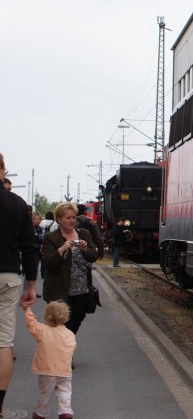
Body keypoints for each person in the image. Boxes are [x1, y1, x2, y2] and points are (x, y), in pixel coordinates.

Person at [0, 152, 38, 416]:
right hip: (8, 277)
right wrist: (31, 284)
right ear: (2, 169)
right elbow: (30, 247)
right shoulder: (17, 204)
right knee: (3, 343)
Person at [41, 202, 98, 335]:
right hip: (59, 293)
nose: (72, 220)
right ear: (59, 219)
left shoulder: (84, 233)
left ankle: (64, 351)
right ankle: (65, 354)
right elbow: (48, 263)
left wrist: (85, 249)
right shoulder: (51, 238)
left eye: (74, 217)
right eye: (68, 218)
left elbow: (93, 257)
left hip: (81, 291)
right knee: (63, 329)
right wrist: (62, 248)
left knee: (75, 324)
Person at [23, 301, 76, 419]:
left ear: (46, 316)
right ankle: (65, 411)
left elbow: (31, 323)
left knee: (45, 393)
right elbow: (73, 348)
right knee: (65, 392)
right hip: (64, 371)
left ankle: (40, 413)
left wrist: (27, 310)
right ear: (66, 317)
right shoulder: (70, 334)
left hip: (46, 370)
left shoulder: (42, 330)